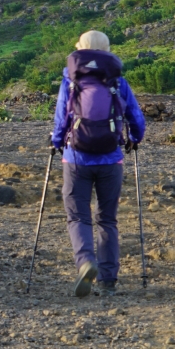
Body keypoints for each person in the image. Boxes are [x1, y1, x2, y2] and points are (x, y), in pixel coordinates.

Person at [50, 28, 146, 298]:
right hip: (111, 159)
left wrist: (57, 143)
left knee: (78, 216)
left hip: (76, 159)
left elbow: (62, 118)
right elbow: (136, 118)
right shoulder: (117, 82)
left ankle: (85, 262)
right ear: (107, 50)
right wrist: (134, 139)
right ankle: (108, 279)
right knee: (107, 219)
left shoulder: (71, 80)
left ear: (79, 48)